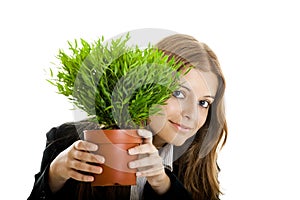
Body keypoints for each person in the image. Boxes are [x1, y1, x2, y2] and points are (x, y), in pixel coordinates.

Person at [28, 33, 227, 200]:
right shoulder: (66, 139)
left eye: (203, 103)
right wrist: (54, 175)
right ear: (146, 84)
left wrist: (163, 184)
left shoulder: (199, 162)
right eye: (178, 93)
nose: (191, 115)